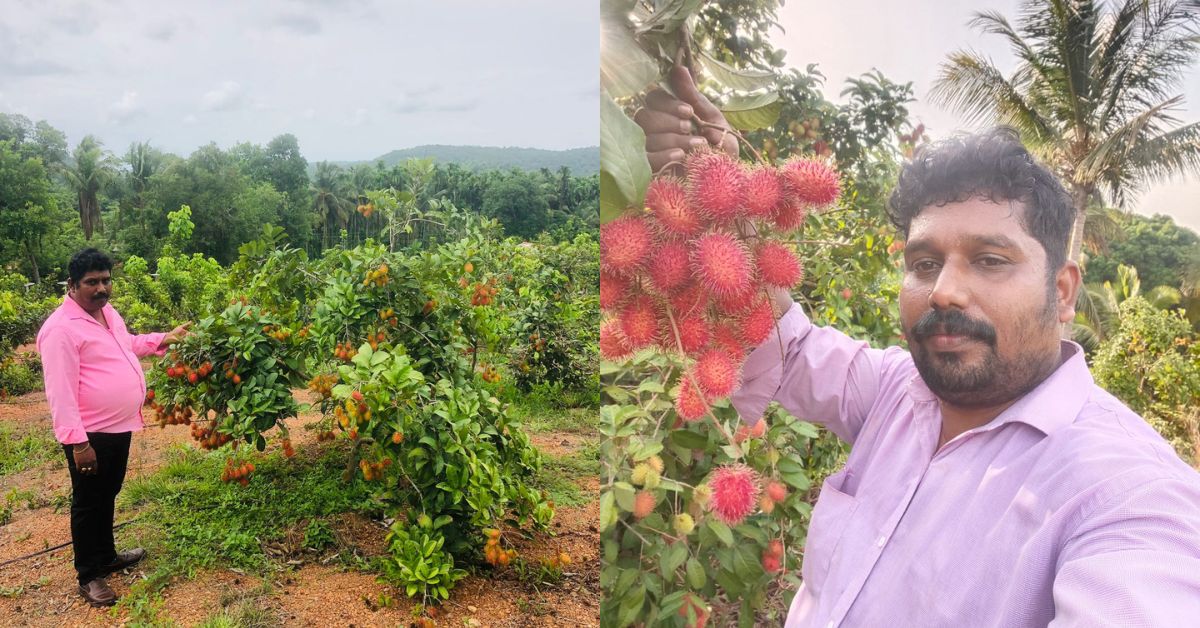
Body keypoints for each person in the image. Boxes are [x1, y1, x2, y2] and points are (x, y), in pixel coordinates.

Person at [637, 67, 1200, 626]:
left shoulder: (1130, 497)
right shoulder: (894, 391)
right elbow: (790, 345)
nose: (945, 291)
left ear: (1062, 291)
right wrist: (723, 197)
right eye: (924, 264)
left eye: (990, 260)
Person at [36, 248, 191, 607]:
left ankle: (107, 556)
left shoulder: (108, 314)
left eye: (106, 280)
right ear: (72, 285)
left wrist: (163, 338)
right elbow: (60, 393)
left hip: (119, 426)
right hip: (90, 435)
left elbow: (127, 345)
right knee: (89, 501)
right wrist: (78, 443)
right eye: (92, 282)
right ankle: (89, 575)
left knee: (109, 491)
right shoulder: (60, 330)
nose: (101, 288)